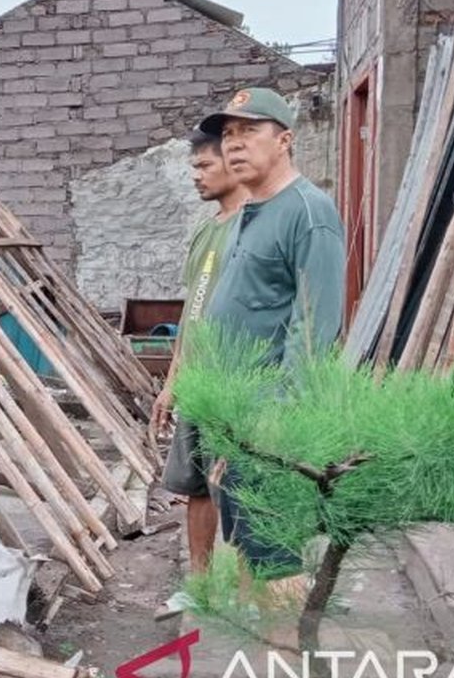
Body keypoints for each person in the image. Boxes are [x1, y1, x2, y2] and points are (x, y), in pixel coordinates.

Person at [196, 88, 346, 588]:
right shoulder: (249, 213)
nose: (233, 145)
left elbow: (314, 328)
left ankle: (281, 653)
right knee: (243, 546)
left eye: (249, 131)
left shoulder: (308, 211)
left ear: (284, 140)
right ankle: (256, 645)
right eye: (227, 135)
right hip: (238, 424)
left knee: (276, 562)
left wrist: (276, 425)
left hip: (271, 428)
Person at [152, 129, 250, 620]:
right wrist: (173, 381)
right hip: (198, 381)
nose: (196, 177)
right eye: (193, 169)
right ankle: (200, 585)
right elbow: (191, 311)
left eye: (203, 168)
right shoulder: (205, 230)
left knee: (248, 488)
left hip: (243, 381)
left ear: (234, 166)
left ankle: (255, 598)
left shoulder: (257, 226)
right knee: (194, 486)